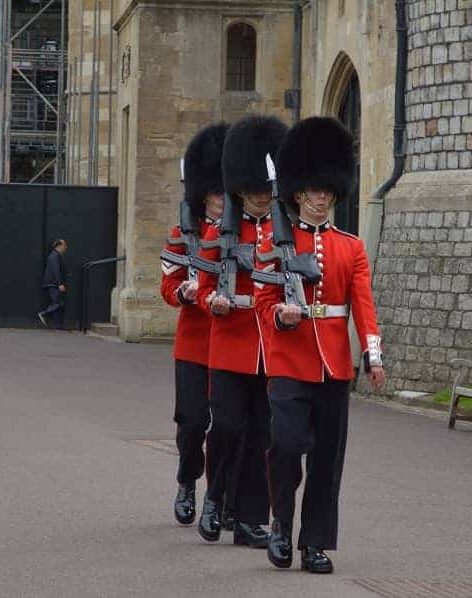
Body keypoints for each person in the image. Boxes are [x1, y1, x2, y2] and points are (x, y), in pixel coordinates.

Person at [255, 117, 386, 574]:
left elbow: (363, 306)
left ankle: (314, 543)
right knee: (286, 447)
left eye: (327, 189)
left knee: (328, 460)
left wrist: (372, 353)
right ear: (297, 192)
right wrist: (279, 315)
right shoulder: (274, 242)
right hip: (289, 362)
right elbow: (262, 298)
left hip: (334, 365)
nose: (321, 196)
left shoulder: (350, 247)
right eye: (313, 189)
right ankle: (280, 523)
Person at [195, 114, 288, 548]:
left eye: (265, 191)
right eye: (253, 192)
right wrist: (210, 302)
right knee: (228, 425)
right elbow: (204, 285)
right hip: (229, 341)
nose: (259, 199)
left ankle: (250, 518)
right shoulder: (218, 231)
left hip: (270, 345)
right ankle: (214, 499)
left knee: (262, 435)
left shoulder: (281, 232)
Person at [160, 122, 228, 526]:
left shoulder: (245, 234)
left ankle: (217, 500)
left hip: (230, 343)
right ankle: (188, 481)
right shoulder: (183, 234)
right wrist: (183, 293)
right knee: (191, 423)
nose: (221, 199)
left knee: (227, 428)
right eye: (216, 192)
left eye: (225, 191)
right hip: (192, 343)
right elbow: (167, 284)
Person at [38, 239, 68, 328]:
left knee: (60, 303)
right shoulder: (54, 256)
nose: (66, 247)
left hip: (53, 283)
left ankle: (57, 324)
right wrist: (60, 284)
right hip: (53, 284)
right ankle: (43, 314)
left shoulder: (56, 255)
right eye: (64, 245)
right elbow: (55, 270)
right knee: (58, 302)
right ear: (59, 246)